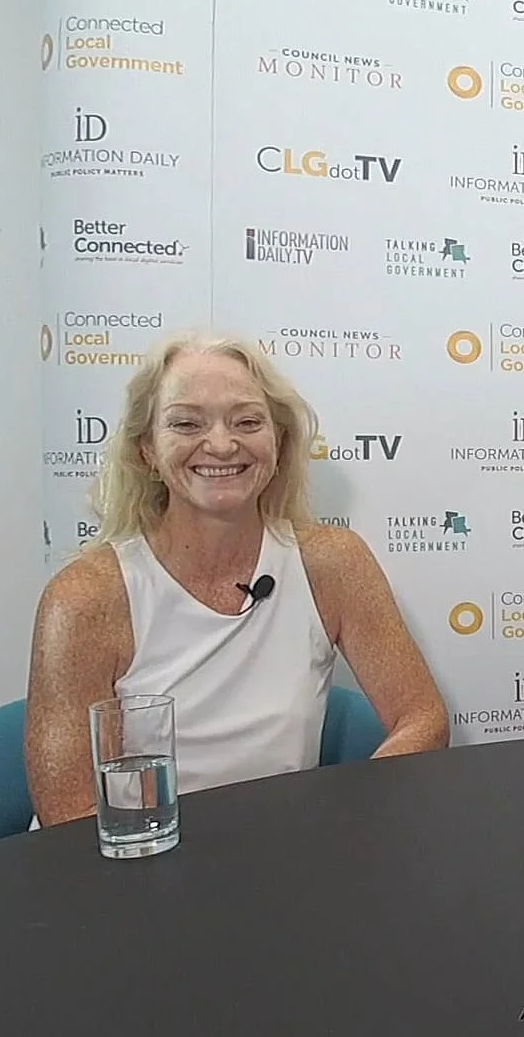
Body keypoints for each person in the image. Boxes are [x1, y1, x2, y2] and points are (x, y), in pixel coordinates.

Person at [26, 333, 449, 826]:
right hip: (140, 857)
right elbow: (66, 815)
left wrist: (344, 818)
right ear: (147, 450)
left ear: (278, 442)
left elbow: (423, 717)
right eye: (187, 423)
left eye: (247, 422)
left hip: (286, 851)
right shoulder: (86, 596)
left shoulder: (333, 563)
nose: (222, 444)